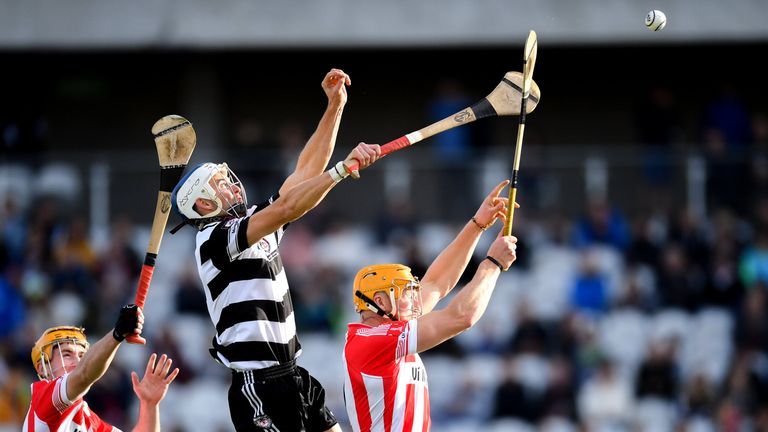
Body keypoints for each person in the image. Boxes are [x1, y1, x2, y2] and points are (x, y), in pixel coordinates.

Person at [170, 68, 380, 431]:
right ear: (203, 204)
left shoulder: (251, 223)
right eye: (219, 184)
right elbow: (287, 208)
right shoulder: (214, 239)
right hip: (259, 386)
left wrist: (335, 107)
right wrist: (343, 170)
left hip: (293, 375)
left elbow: (304, 174)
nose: (231, 186)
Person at [343, 180, 518, 431]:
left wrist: (477, 225)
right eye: (406, 293)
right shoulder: (373, 341)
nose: (415, 299)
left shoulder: (391, 329)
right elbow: (461, 317)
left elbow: (436, 283)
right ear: (379, 301)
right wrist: (492, 264)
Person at [24, 304, 179, 431]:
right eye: (67, 354)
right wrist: (118, 333)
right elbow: (83, 374)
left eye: (82, 356)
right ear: (42, 368)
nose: (77, 362)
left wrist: (149, 405)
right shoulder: (43, 397)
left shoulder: (89, 421)